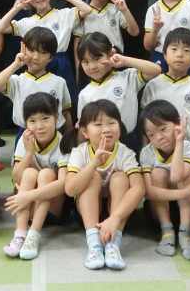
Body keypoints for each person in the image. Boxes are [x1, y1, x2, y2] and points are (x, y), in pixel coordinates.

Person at [65, 100, 145, 271]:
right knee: (92, 176)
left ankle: (113, 245)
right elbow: (70, 189)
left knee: (120, 178)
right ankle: (94, 245)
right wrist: (94, 163)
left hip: (117, 214)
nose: (107, 129)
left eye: (112, 123)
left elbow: (139, 189)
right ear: (85, 132)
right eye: (98, 124)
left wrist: (114, 218)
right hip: (87, 214)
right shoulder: (80, 152)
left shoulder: (125, 153)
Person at [0, 0, 91, 110]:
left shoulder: (64, 14)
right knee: (40, 105)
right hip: (36, 64)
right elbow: (0, 28)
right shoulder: (26, 22)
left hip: (61, 62)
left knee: (65, 105)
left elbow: (87, 10)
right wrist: (16, 8)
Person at [3, 93, 71, 260]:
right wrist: (29, 153)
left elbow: (64, 184)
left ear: (57, 118)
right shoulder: (25, 140)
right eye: (32, 121)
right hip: (28, 209)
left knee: (47, 173)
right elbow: (16, 178)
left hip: (53, 208)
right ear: (26, 123)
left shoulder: (64, 143)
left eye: (45, 119)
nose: (39, 126)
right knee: (28, 172)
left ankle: (33, 235)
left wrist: (28, 196)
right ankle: (20, 235)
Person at [140, 28, 190, 168]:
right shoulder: (153, 85)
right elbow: (146, 123)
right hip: (161, 148)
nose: (180, 54)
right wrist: (144, 148)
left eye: (187, 50)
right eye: (174, 49)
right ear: (164, 55)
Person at [77, 31, 162, 150]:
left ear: (111, 53)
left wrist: (125, 60)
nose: (92, 66)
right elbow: (83, 127)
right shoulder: (84, 94)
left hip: (130, 140)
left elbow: (156, 70)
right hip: (100, 144)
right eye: (85, 62)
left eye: (97, 58)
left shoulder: (127, 77)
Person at [139, 99, 190, 260]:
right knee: (158, 173)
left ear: (177, 124)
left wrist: (179, 142)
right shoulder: (147, 153)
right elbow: (149, 192)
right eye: (151, 134)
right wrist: (184, 193)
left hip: (187, 210)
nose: (159, 137)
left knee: (186, 176)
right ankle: (167, 232)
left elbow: (176, 176)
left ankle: (185, 233)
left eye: (163, 129)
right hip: (159, 210)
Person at [0, 27, 73, 139]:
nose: (36, 57)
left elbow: (65, 112)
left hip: (54, 135)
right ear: (23, 49)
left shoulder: (59, 82)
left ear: (51, 57)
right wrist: (16, 64)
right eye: (31, 50)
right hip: (26, 133)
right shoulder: (17, 81)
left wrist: (69, 138)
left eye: (42, 52)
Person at [72, 0, 139, 67]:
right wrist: (79, 70)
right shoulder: (81, 12)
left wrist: (125, 10)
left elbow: (135, 32)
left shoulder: (115, 9)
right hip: (92, 64)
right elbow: (77, 43)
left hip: (115, 62)